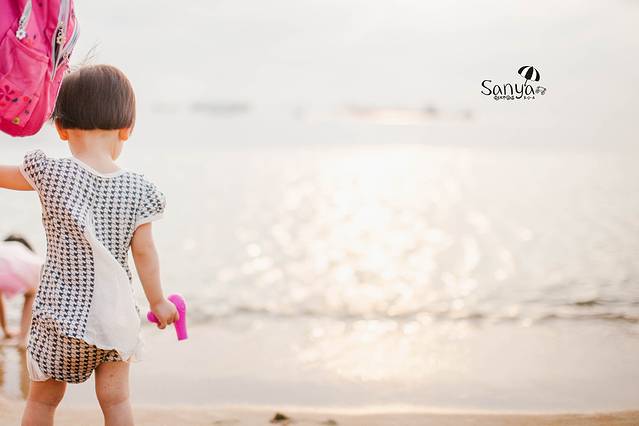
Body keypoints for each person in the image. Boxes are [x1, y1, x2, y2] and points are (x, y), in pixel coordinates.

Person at [0, 64, 179, 426]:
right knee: (116, 401)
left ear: (61, 128)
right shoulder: (140, 190)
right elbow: (145, 253)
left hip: (60, 319)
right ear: (127, 129)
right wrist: (158, 301)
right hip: (115, 319)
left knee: (43, 401)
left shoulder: (49, 173)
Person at [0, 234, 42, 349]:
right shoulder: (18, 249)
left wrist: (5, 329)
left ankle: (21, 338)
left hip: (25, 266)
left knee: (31, 294)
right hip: (34, 267)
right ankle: (22, 339)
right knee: (31, 295)